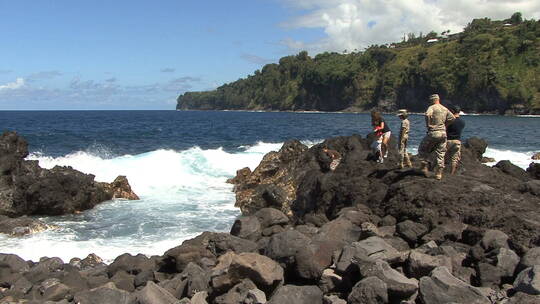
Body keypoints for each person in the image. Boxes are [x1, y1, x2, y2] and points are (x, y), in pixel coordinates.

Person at [418, 94, 455, 180]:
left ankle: (424, 167)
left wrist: (428, 125)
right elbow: (452, 118)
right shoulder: (444, 108)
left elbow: (427, 115)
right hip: (443, 133)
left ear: (432, 100)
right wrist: (445, 125)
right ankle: (439, 173)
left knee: (422, 149)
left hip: (434, 132)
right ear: (439, 99)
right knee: (441, 153)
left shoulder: (432, 107)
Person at [446, 105, 465, 174]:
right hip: (457, 141)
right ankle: (452, 173)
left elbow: (445, 128)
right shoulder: (462, 122)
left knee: (441, 156)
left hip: (448, 140)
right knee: (454, 159)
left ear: (452, 111)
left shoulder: (450, 121)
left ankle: (439, 171)